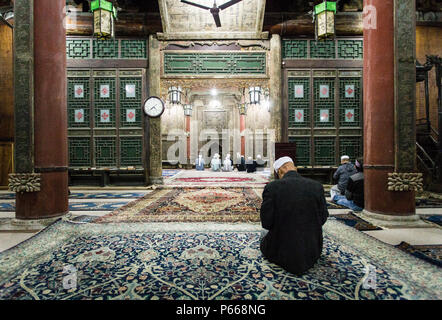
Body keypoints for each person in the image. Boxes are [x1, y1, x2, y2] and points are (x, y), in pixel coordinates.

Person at [260, 156, 329, 275]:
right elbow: (323, 217)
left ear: (281, 170)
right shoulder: (316, 186)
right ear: (295, 168)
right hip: (311, 252)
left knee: (263, 234)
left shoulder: (272, 188)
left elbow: (266, 222)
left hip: (280, 253)